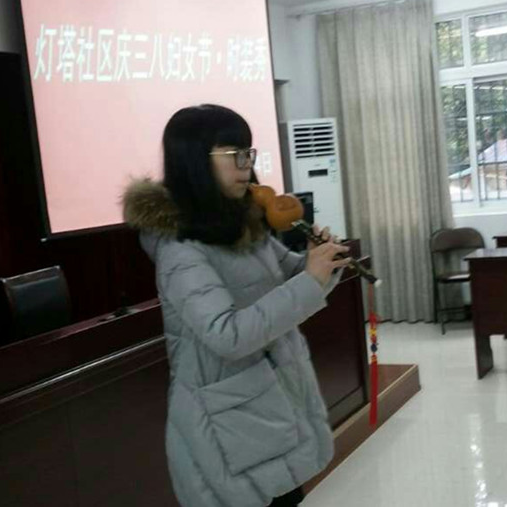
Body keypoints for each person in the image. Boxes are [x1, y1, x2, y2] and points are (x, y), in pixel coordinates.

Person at [122, 104, 351, 507]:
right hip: (228, 428)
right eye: (234, 154)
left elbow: (290, 274)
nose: (247, 166)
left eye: (248, 153)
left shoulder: (242, 225)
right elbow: (228, 336)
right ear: (195, 161)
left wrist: (320, 261)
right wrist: (311, 280)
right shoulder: (180, 250)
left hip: (268, 414)